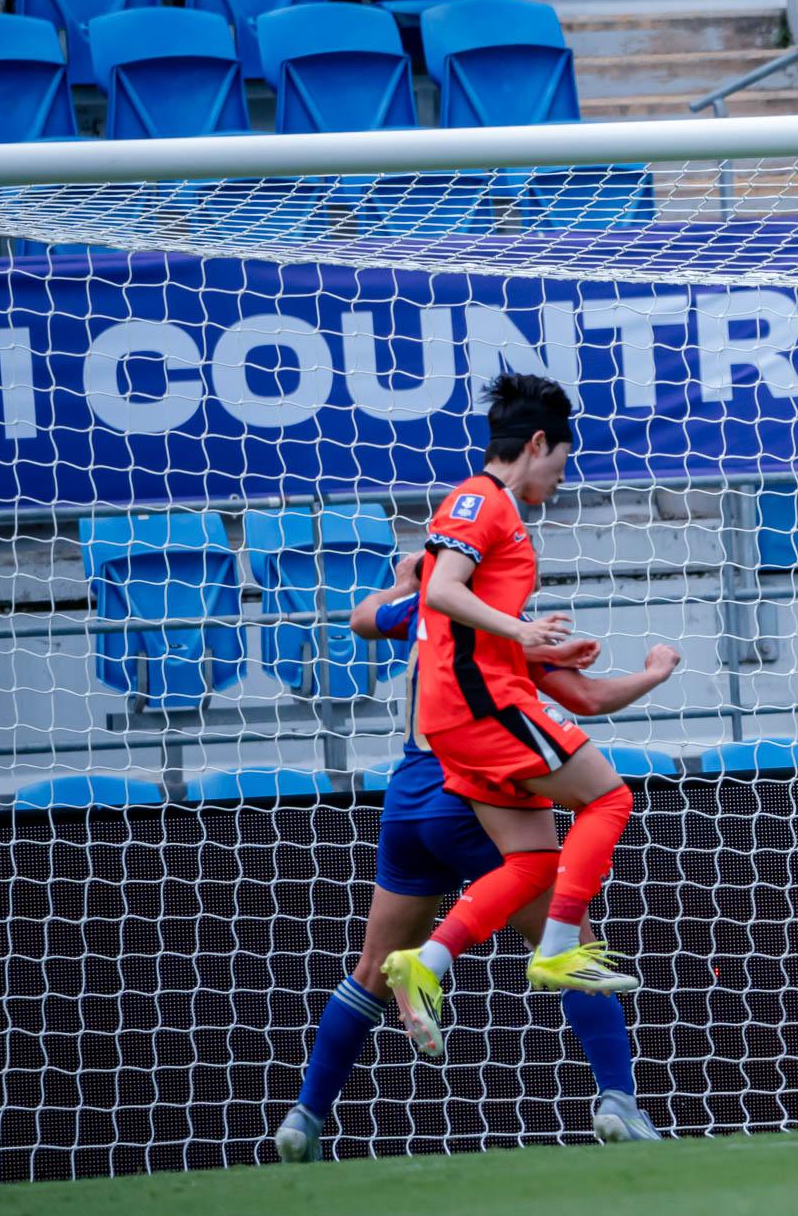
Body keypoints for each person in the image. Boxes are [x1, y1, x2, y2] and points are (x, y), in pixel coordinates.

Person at [272, 554, 682, 1161]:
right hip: (473, 794)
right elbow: (589, 698)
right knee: (572, 945)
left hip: (407, 803)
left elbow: (361, 618)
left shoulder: (422, 610)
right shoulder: (502, 628)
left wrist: (406, 581)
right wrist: (655, 672)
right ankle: (618, 1101)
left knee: (370, 969)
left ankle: (304, 1117)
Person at [379, 373, 644, 1042]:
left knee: (531, 861)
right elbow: (442, 590)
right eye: (562, 460)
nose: (561, 476)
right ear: (537, 443)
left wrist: (537, 641)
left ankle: (426, 961)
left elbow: (466, 614)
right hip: (480, 706)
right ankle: (558, 949)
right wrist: (521, 633)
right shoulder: (480, 499)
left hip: (464, 711)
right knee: (609, 799)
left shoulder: (496, 510)